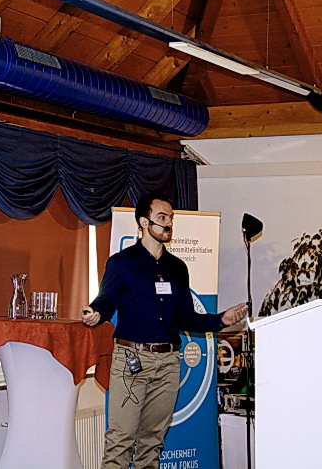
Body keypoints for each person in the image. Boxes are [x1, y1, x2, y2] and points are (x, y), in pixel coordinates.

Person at [81, 192, 247, 469]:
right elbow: (105, 301)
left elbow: (186, 318)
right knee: (121, 441)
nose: (169, 223)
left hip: (169, 363)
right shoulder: (122, 263)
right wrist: (95, 313)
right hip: (131, 361)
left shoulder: (177, 268)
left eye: (171, 218)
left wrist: (222, 319)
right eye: (162, 217)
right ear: (144, 222)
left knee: (152, 442)